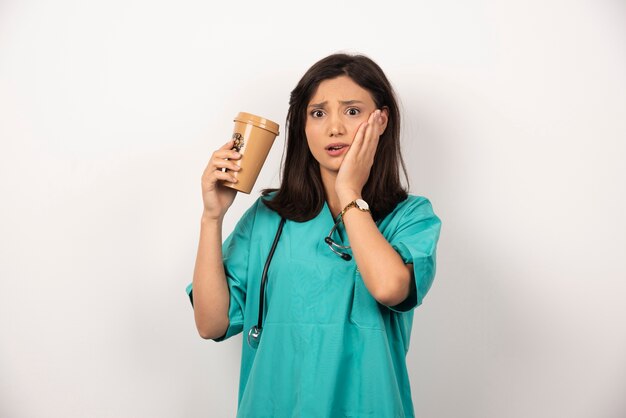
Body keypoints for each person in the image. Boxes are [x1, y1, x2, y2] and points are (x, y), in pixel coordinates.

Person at [186, 52, 442, 418]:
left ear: (381, 120)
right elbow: (211, 324)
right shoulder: (269, 217)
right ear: (303, 127)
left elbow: (390, 288)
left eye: (352, 111)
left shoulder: (411, 216)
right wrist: (213, 217)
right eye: (318, 113)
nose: (334, 128)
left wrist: (349, 193)